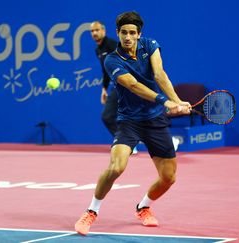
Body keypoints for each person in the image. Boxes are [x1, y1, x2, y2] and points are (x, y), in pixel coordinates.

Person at [75, 11, 191, 236]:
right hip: (129, 121)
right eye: (124, 33)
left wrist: (177, 101)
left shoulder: (150, 45)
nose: (128, 37)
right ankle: (91, 211)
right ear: (117, 33)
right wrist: (164, 100)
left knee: (169, 178)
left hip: (155, 120)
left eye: (132, 33)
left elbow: (160, 75)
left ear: (139, 34)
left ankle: (143, 206)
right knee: (116, 167)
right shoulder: (112, 59)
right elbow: (132, 85)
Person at [90, 21, 140, 153]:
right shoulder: (98, 50)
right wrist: (104, 89)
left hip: (126, 85)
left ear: (103, 31)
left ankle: (127, 143)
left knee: (109, 116)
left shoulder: (113, 45)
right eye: (92, 31)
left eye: (97, 30)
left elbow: (128, 61)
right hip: (117, 87)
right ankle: (128, 143)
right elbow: (105, 70)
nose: (94, 33)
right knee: (120, 117)